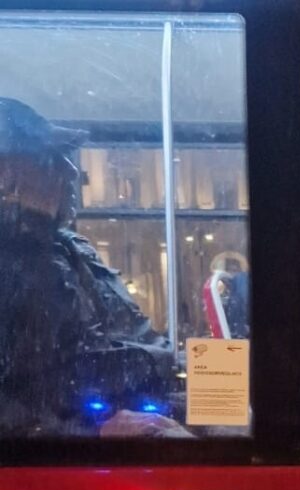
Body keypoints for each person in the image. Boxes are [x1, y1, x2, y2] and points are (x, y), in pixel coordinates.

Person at [0, 97, 181, 437]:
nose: (72, 172)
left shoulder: (75, 251)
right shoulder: (11, 266)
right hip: (67, 464)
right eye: (50, 160)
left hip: (143, 425)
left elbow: (137, 341)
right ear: (4, 173)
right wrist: (90, 436)